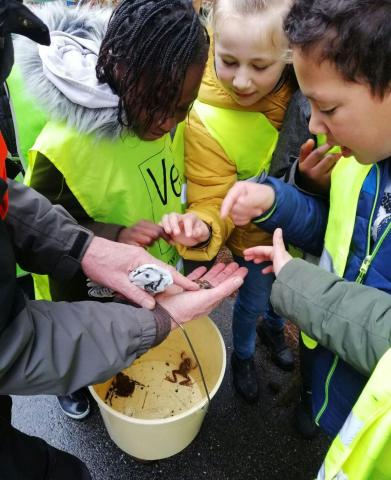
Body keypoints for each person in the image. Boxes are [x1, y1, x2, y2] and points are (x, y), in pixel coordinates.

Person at [0, 2, 247, 477]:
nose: (169, 123)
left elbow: (189, 186)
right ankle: (73, 389)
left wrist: (192, 221)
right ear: (120, 71)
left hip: (144, 272)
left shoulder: (173, 120)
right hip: (80, 293)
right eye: (159, 106)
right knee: (79, 355)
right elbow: (37, 237)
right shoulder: (65, 147)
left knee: (129, 332)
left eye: (184, 107)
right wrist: (113, 235)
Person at [221, 0, 391, 449]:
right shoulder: (364, 160)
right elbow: (340, 229)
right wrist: (277, 200)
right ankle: (312, 406)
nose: (313, 122)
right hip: (330, 378)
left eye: (328, 108)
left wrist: (295, 282)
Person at [160, 0, 315, 404]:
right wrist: (203, 226)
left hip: (304, 229)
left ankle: (274, 327)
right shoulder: (204, 115)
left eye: (260, 66)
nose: (242, 81)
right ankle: (243, 354)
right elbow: (210, 193)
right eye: (228, 61)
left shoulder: (307, 93)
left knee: (287, 293)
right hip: (252, 239)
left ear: (288, 56)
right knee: (252, 300)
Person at [245, 228, 391, 480]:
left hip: (373, 424)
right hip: (321, 309)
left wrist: (295, 281)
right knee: (312, 354)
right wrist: (275, 200)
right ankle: (308, 396)